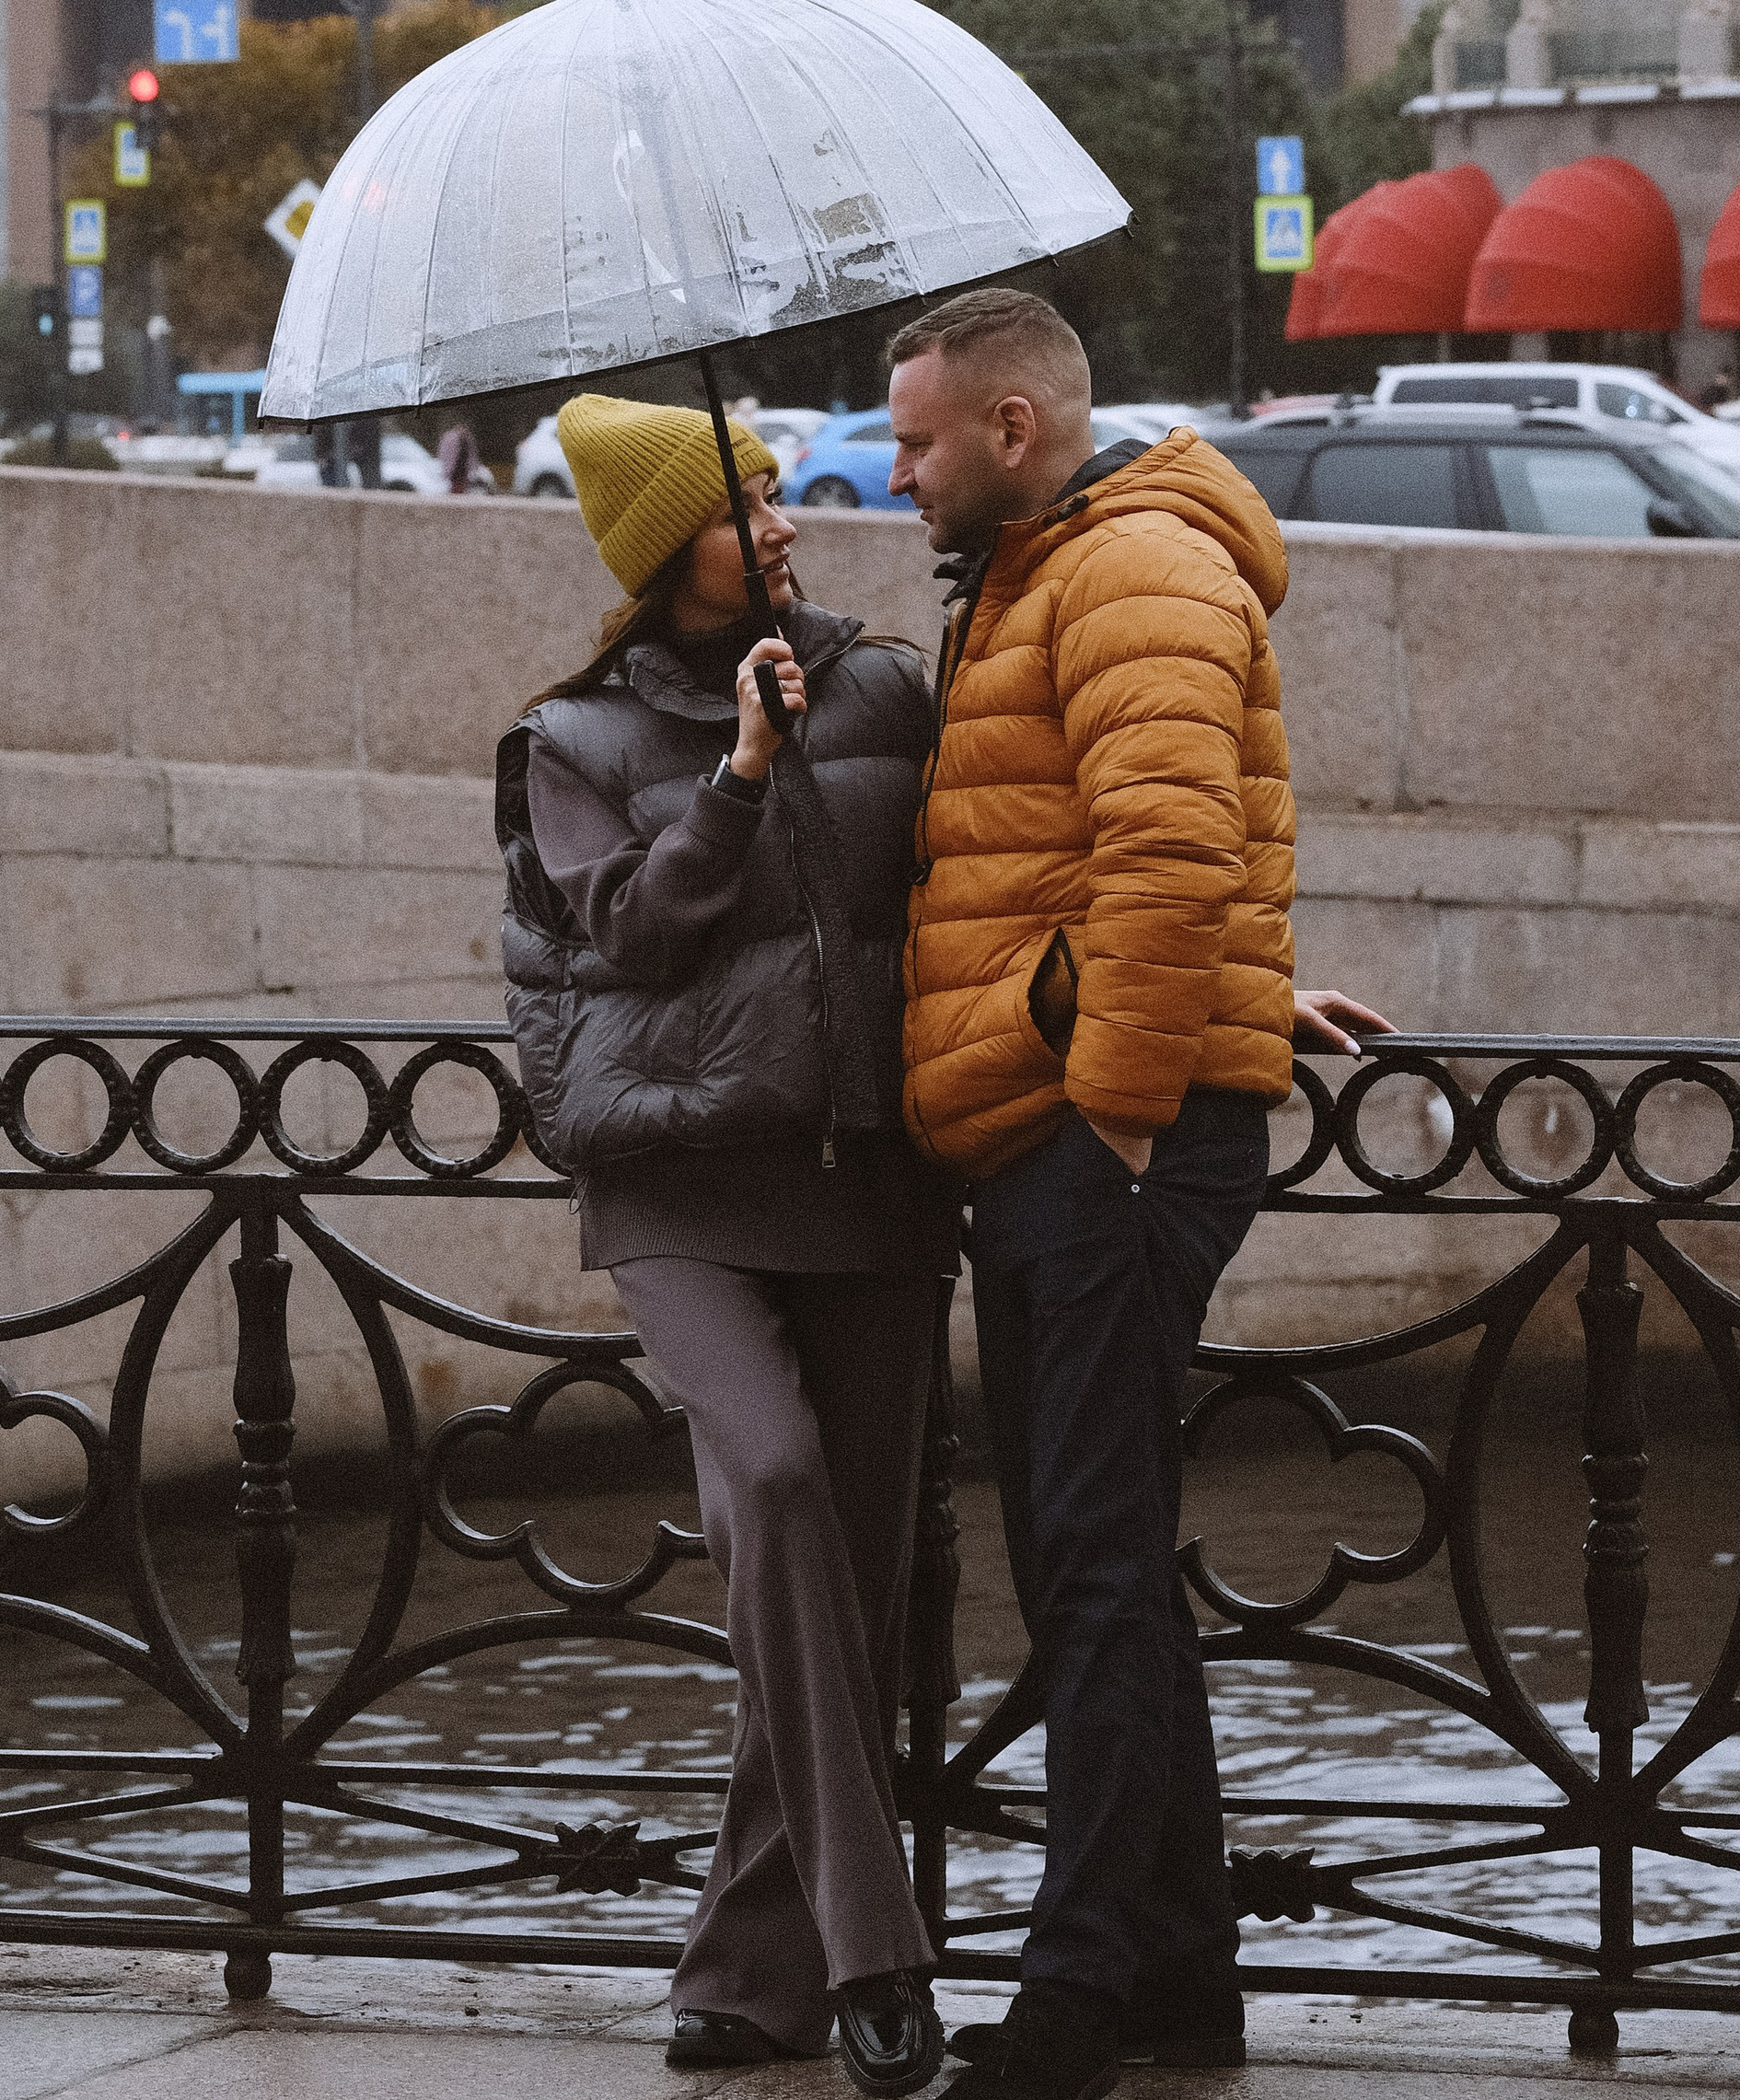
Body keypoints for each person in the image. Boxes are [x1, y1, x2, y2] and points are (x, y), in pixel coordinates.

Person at [885, 289, 1379, 2100]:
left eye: (921, 438)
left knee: (1089, 1564)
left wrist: (1108, 1109)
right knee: (1093, 1558)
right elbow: (1118, 853)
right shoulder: (1057, 563)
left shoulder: (1131, 565)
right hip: (1084, 1115)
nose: (897, 467)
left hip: (1103, 1136)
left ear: (1011, 429)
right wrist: (1232, 992)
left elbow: (1165, 854)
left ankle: (1072, 2000)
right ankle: (1181, 1979)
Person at [498, 392, 957, 2099]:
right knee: (768, 1480)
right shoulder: (568, 735)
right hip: (679, 1184)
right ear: (656, 551)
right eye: (737, 504)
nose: (777, 521)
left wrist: (1223, 984)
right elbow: (631, 930)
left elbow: (1006, 878)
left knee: (836, 1583)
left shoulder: (892, 679)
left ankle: (739, 1972)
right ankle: (875, 1953)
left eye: (772, 491)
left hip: (872, 1180)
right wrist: (744, 775)